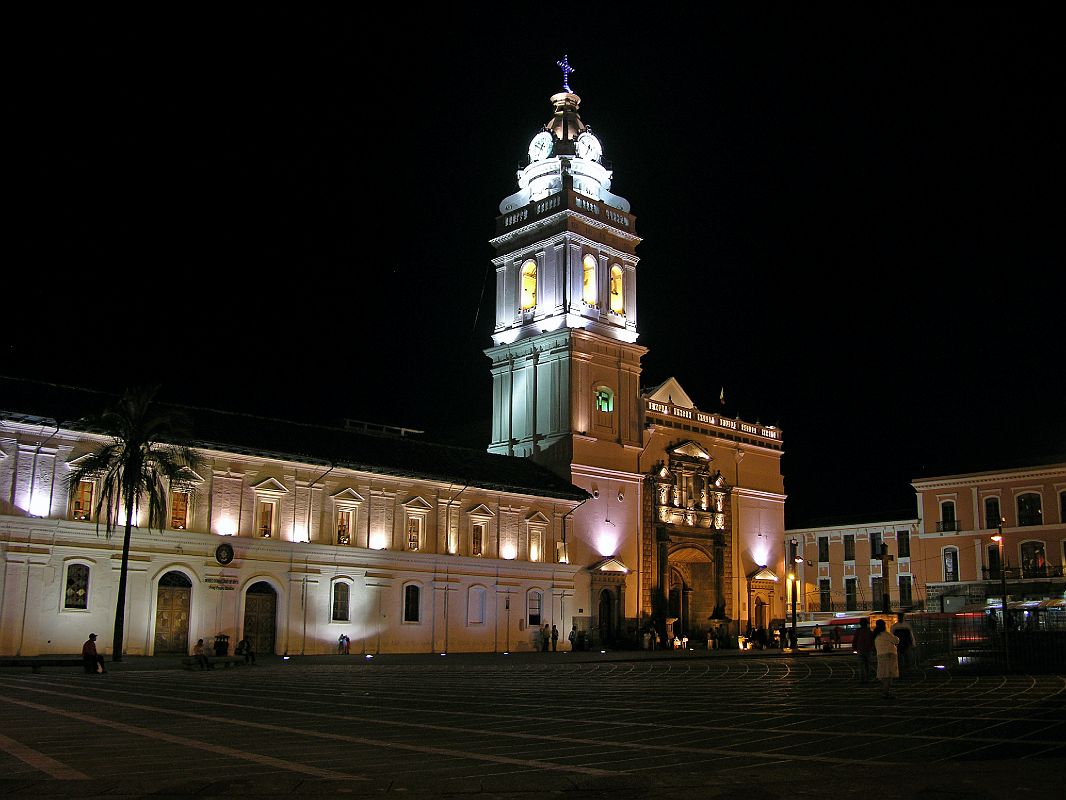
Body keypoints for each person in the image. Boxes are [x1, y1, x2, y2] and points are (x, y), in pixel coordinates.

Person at [872, 619, 900, 698]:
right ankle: (886, 692)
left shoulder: (876, 635)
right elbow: (896, 640)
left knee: (884, 675)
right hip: (889, 656)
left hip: (880, 656)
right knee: (888, 675)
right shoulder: (886, 634)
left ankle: (885, 691)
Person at [852, 618, 875, 683]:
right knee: (868, 665)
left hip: (860, 649)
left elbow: (855, 640)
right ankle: (868, 678)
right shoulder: (869, 631)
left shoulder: (858, 631)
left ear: (860, 624)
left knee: (861, 665)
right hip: (868, 650)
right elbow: (872, 641)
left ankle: (862, 679)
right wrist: (873, 648)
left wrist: (854, 648)